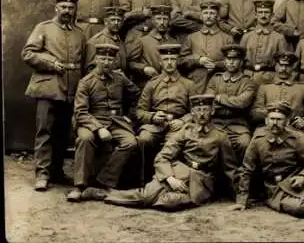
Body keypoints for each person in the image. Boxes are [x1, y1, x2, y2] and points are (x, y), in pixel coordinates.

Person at [101, 95, 231, 211]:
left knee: (170, 202)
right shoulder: (185, 131)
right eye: (198, 110)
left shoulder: (220, 136)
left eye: (205, 110)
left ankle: (153, 198)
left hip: (200, 181)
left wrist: (242, 198)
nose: (201, 114)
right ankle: (100, 194)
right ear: (192, 113)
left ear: (212, 111)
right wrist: (169, 178)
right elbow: (163, 156)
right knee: (145, 195)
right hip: (177, 172)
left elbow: (231, 168)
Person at [21, 0, 85, 191]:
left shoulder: (79, 33)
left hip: (71, 89)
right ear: (56, 8)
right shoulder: (44, 28)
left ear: (74, 11)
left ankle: (56, 171)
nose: (67, 11)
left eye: (70, 8)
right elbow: (28, 53)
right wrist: (50, 63)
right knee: (45, 131)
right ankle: (42, 174)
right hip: (48, 87)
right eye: (63, 7)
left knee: (62, 132)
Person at [67, 43, 141, 202]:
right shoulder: (86, 82)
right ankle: (80, 186)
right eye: (102, 58)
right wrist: (98, 128)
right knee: (85, 139)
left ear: (114, 61)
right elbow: (80, 112)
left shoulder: (119, 78)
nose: (106, 62)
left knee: (130, 142)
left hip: (117, 122)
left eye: (110, 59)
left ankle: (104, 181)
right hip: (90, 121)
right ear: (95, 59)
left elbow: (137, 95)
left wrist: (130, 116)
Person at [136, 44, 194, 183]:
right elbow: (139, 111)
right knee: (144, 139)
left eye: (172, 59)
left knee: (174, 142)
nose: (169, 63)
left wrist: (183, 121)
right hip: (156, 125)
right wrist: (152, 117)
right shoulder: (152, 84)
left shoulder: (188, 84)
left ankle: (174, 180)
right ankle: (146, 180)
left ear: (177, 61)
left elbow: (195, 111)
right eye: (166, 59)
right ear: (160, 62)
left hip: (177, 125)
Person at [206, 44, 258, 195]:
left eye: (235, 59)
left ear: (242, 62)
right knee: (207, 143)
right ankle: (214, 185)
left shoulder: (248, 81)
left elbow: (242, 103)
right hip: (215, 123)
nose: (231, 63)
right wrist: (231, 102)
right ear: (224, 61)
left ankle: (243, 186)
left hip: (238, 124)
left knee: (245, 143)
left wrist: (220, 98)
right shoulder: (215, 79)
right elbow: (209, 101)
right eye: (229, 59)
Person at [251, 51, 304, 132]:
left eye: (287, 66)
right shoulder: (265, 87)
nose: (283, 69)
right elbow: (254, 112)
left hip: (294, 130)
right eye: (281, 65)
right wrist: (272, 112)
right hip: (267, 130)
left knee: (303, 142)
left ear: (293, 67)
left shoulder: (303, 88)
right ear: (275, 66)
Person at [179, 0, 234, 94]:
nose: (208, 16)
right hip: (196, 84)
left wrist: (216, 65)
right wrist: (198, 60)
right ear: (201, 16)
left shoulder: (227, 38)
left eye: (212, 13)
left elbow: (235, 62)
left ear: (217, 17)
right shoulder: (191, 37)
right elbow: (180, 61)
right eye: (205, 13)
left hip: (219, 85)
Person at [240, 0, 290, 85]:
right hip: (247, 78)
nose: (263, 15)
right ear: (255, 15)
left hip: (269, 80)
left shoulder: (279, 38)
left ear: (271, 15)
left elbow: (283, 63)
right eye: (260, 12)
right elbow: (239, 60)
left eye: (266, 12)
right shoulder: (246, 37)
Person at [127, 5, 179, 88]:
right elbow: (131, 63)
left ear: (169, 21)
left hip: (170, 86)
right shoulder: (142, 41)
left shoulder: (174, 41)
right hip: (148, 84)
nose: (162, 22)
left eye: (165, 19)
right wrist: (144, 68)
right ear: (153, 20)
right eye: (158, 19)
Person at [85, 6, 135, 74]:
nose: (116, 23)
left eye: (119, 20)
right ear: (105, 22)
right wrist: (111, 73)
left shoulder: (120, 41)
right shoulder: (95, 41)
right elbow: (89, 69)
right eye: (113, 20)